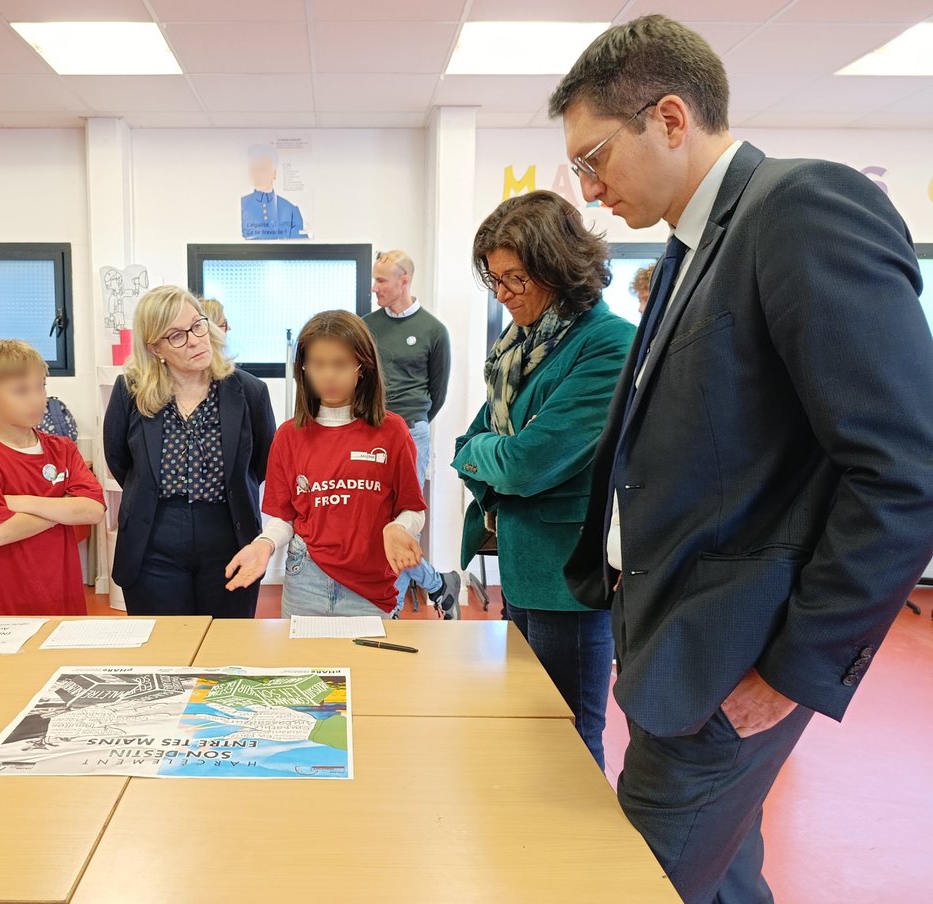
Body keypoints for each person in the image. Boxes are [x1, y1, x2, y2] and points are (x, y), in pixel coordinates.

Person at [550, 15, 933, 902]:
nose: (589, 190)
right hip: (677, 645)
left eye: (594, 158)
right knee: (724, 878)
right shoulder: (692, 244)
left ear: (670, 118)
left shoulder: (799, 208)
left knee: (634, 881)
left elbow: (905, 468)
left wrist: (793, 671)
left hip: (735, 660)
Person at [453, 192, 635, 768]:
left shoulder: (608, 344)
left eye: (517, 278)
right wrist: (495, 455)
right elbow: (468, 446)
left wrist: (495, 457)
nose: (504, 295)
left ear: (560, 267)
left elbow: (526, 463)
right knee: (530, 723)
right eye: (496, 280)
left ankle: (578, 830)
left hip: (569, 579)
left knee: (569, 734)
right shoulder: (520, 348)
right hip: (521, 564)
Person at [225, 311, 427, 619]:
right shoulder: (289, 435)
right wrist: (264, 544)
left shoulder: (392, 431)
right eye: (318, 364)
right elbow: (285, 518)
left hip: (370, 585)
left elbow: (414, 509)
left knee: (367, 654)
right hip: (305, 578)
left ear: (362, 367)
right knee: (304, 654)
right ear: (304, 369)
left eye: (340, 364)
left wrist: (399, 527)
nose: (328, 375)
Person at [104, 287, 275, 618]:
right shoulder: (131, 391)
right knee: (164, 642)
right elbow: (120, 461)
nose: (195, 340)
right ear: (154, 348)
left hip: (229, 532)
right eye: (177, 336)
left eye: (197, 326)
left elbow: (260, 463)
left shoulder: (249, 391)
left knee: (225, 640)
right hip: (154, 536)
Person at [0, 340, 105, 617]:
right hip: (1, 604)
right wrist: (64, 509)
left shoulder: (63, 448)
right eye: (21, 391)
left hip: (62, 598)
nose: (37, 399)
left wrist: (20, 502)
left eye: (40, 386)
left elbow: (93, 511)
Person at [364, 250, 461, 618]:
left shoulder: (433, 330)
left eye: (381, 280)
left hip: (411, 432)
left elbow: (438, 391)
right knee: (375, 517)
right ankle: (437, 583)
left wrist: (412, 421)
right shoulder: (367, 325)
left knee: (406, 516)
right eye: (374, 279)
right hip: (371, 430)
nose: (374, 287)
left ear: (404, 281)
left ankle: (392, 607)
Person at [240, 144, 306, 240]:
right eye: (253, 169)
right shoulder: (241, 205)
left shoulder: (290, 211)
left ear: (274, 173)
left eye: (262, 169)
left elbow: (301, 246)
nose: (257, 174)